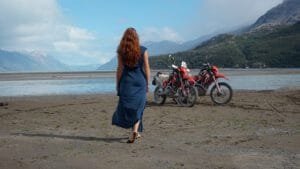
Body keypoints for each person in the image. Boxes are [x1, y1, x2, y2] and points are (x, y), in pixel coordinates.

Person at [112, 27, 151, 143]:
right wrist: (147, 83)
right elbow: (147, 68)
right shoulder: (143, 50)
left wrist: (118, 84)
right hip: (140, 82)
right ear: (136, 38)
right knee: (139, 107)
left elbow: (119, 69)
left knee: (128, 107)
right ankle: (135, 130)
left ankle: (135, 131)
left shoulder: (121, 51)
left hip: (126, 82)